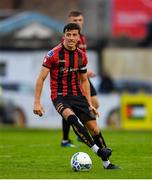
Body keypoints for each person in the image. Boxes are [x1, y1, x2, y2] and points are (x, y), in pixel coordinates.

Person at [33, 23, 119, 169]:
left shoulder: (81, 56)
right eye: (68, 34)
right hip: (59, 96)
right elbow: (41, 79)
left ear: (79, 37)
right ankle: (99, 152)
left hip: (77, 95)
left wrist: (89, 103)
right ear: (64, 36)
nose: (71, 38)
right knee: (72, 119)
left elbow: (84, 80)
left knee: (94, 129)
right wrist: (37, 102)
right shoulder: (52, 55)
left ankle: (107, 163)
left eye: (74, 35)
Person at [61, 10, 99, 147]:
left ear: (83, 21)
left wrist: (85, 70)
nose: (77, 22)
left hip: (82, 75)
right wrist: (83, 71)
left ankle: (81, 132)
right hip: (73, 77)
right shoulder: (69, 38)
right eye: (74, 20)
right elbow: (68, 60)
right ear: (69, 21)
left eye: (79, 20)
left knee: (95, 103)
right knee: (68, 109)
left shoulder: (82, 38)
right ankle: (67, 138)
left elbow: (80, 59)